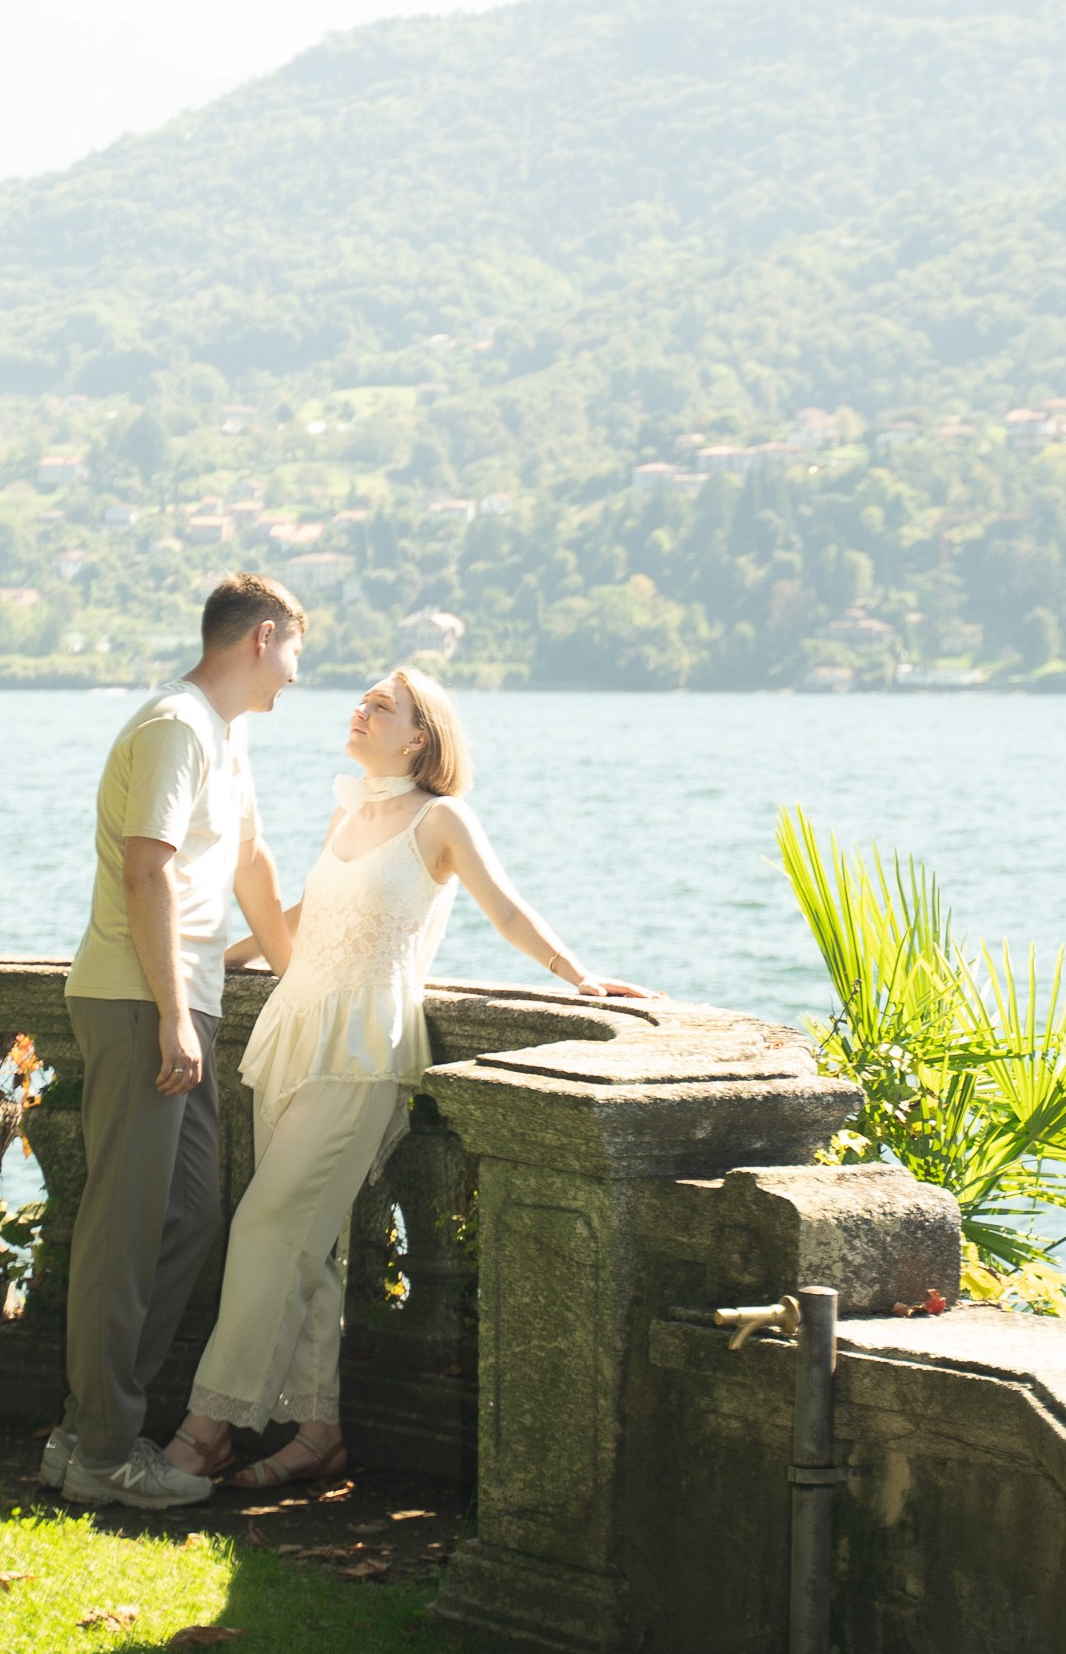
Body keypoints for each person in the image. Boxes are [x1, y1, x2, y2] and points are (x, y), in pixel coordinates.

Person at [163, 661, 649, 1496]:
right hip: (294, 1031)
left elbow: (505, 908)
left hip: (364, 1046)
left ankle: (204, 1432)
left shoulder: (442, 819)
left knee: (266, 1224)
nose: (359, 710)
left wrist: (580, 976)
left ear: (420, 735)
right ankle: (318, 1433)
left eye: (379, 705)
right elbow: (306, 920)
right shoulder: (349, 808)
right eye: (362, 700)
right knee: (311, 1249)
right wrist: (204, 956)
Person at [44, 571, 303, 1514]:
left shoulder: (225, 738)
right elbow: (144, 873)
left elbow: (254, 868)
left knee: (187, 1214)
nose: (294, 681)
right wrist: (170, 1016)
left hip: (180, 1003)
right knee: (122, 1231)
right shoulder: (175, 727)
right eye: (294, 658)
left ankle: (88, 1430)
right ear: (262, 638)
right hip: (137, 1002)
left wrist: (301, 979)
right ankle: (105, 1453)